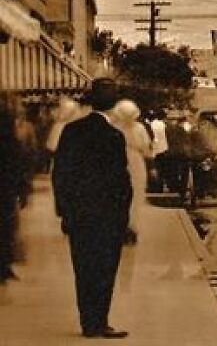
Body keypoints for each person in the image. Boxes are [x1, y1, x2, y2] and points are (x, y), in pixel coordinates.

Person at [52, 78, 132, 339]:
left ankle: (88, 322)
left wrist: (63, 211)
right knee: (105, 268)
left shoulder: (71, 131)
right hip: (108, 216)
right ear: (113, 104)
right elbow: (122, 181)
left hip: (79, 214)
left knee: (83, 267)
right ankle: (100, 321)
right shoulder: (114, 136)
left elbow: (60, 174)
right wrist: (124, 215)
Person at [112, 100, 153, 245]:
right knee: (136, 196)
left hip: (118, 162)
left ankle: (120, 228)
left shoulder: (114, 128)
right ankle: (132, 228)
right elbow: (147, 150)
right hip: (136, 162)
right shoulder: (140, 128)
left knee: (118, 196)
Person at [0, 95, 25, 283]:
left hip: (6, 183)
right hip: (6, 184)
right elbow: (15, 159)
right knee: (6, 225)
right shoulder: (9, 138)